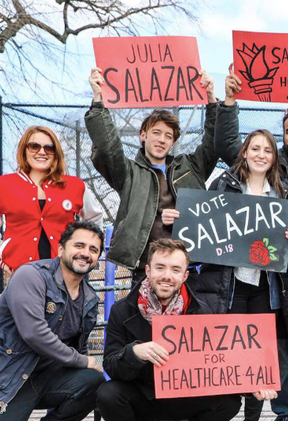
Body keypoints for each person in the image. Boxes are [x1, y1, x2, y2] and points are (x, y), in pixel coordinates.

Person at [189, 74, 288, 421]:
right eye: (255, 149)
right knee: (229, 354)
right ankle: (223, 417)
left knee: (258, 358)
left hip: (265, 288)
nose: (261, 155)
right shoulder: (223, 183)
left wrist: (287, 237)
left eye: (267, 150)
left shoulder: (279, 192)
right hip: (229, 284)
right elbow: (204, 226)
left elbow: (281, 240)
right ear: (244, 153)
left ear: (273, 157)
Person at [85, 66, 239, 285]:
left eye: (168, 136)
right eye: (156, 133)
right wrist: (98, 99)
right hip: (146, 268)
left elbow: (212, 143)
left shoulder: (191, 166)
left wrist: (210, 98)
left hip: (191, 266)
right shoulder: (128, 173)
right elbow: (106, 147)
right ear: (143, 135)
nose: (161, 140)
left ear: (173, 142)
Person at [96, 239, 275, 421]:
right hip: (143, 395)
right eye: (160, 268)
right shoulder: (122, 310)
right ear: (148, 271)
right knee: (108, 394)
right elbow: (110, 364)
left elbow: (222, 364)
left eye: (175, 270)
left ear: (185, 276)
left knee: (229, 402)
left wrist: (252, 383)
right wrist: (134, 353)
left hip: (184, 397)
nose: (167, 276)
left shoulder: (202, 312)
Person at [0, 221, 106, 421]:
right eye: (79, 246)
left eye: (93, 249)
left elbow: (80, 345)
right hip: (7, 378)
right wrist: (82, 360)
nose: (85, 253)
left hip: (49, 378)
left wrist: (84, 366)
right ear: (61, 249)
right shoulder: (30, 276)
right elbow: (34, 333)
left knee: (94, 381)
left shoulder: (89, 298)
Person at [0, 126, 103, 273]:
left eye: (49, 148)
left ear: (56, 153)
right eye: (34, 146)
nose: (42, 152)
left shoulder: (75, 186)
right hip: (22, 272)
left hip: (66, 274)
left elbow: (95, 218)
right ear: (24, 150)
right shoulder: (3, 186)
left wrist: (86, 252)